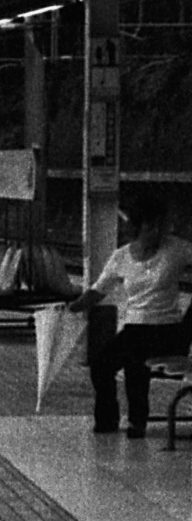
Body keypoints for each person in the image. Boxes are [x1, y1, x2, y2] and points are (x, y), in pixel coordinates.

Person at [79, 186, 192, 435]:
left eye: (160, 227)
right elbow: (99, 290)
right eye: (150, 227)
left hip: (167, 328)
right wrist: (75, 307)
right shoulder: (121, 257)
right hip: (135, 327)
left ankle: (137, 420)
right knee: (101, 365)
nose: (156, 233)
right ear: (137, 228)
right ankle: (108, 418)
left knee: (135, 359)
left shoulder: (177, 249)